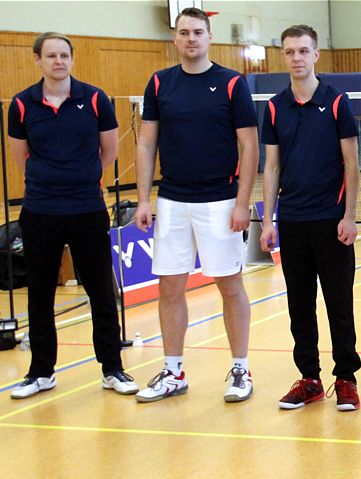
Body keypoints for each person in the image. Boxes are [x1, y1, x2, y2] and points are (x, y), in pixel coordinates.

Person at [132, 7, 259, 403]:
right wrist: (142, 198)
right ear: (175, 38)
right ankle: (173, 371)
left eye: (197, 32)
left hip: (220, 200)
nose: (191, 38)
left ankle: (240, 368)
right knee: (170, 287)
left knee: (229, 285)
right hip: (172, 199)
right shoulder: (159, 83)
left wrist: (242, 201)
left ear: (209, 37)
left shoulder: (231, 83)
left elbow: (249, 145)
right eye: (184, 32)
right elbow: (147, 142)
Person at [7, 32, 139, 399]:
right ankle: (41, 372)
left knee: (100, 291)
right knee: (40, 293)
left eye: (64, 55)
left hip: (87, 209)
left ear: (72, 59)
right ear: (38, 60)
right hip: (41, 211)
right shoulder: (21, 105)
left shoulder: (95, 99)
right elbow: (21, 157)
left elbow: (108, 150)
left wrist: (80, 177)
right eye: (51, 56)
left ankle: (112, 368)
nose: (58, 61)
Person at [259, 25, 361, 411]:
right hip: (293, 221)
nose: (297, 58)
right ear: (283, 56)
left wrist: (350, 215)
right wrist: (268, 221)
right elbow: (270, 167)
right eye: (290, 52)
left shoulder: (336, 102)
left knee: (339, 303)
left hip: (332, 220)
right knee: (299, 305)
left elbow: (352, 162)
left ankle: (346, 378)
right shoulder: (273, 106)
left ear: (316, 54)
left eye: (304, 50)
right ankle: (309, 378)